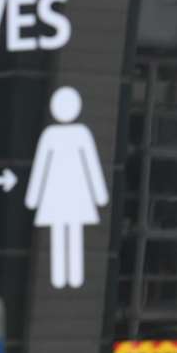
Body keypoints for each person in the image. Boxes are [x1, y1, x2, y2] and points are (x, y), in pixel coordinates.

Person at [25, 86, 110, 290]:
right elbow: (42, 166)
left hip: (60, 194)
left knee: (65, 233)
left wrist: (33, 198)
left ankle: (66, 278)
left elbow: (89, 163)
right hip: (72, 193)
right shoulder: (68, 134)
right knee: (68, 233)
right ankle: (67, 278)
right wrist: (99, 196)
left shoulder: (55, 134)